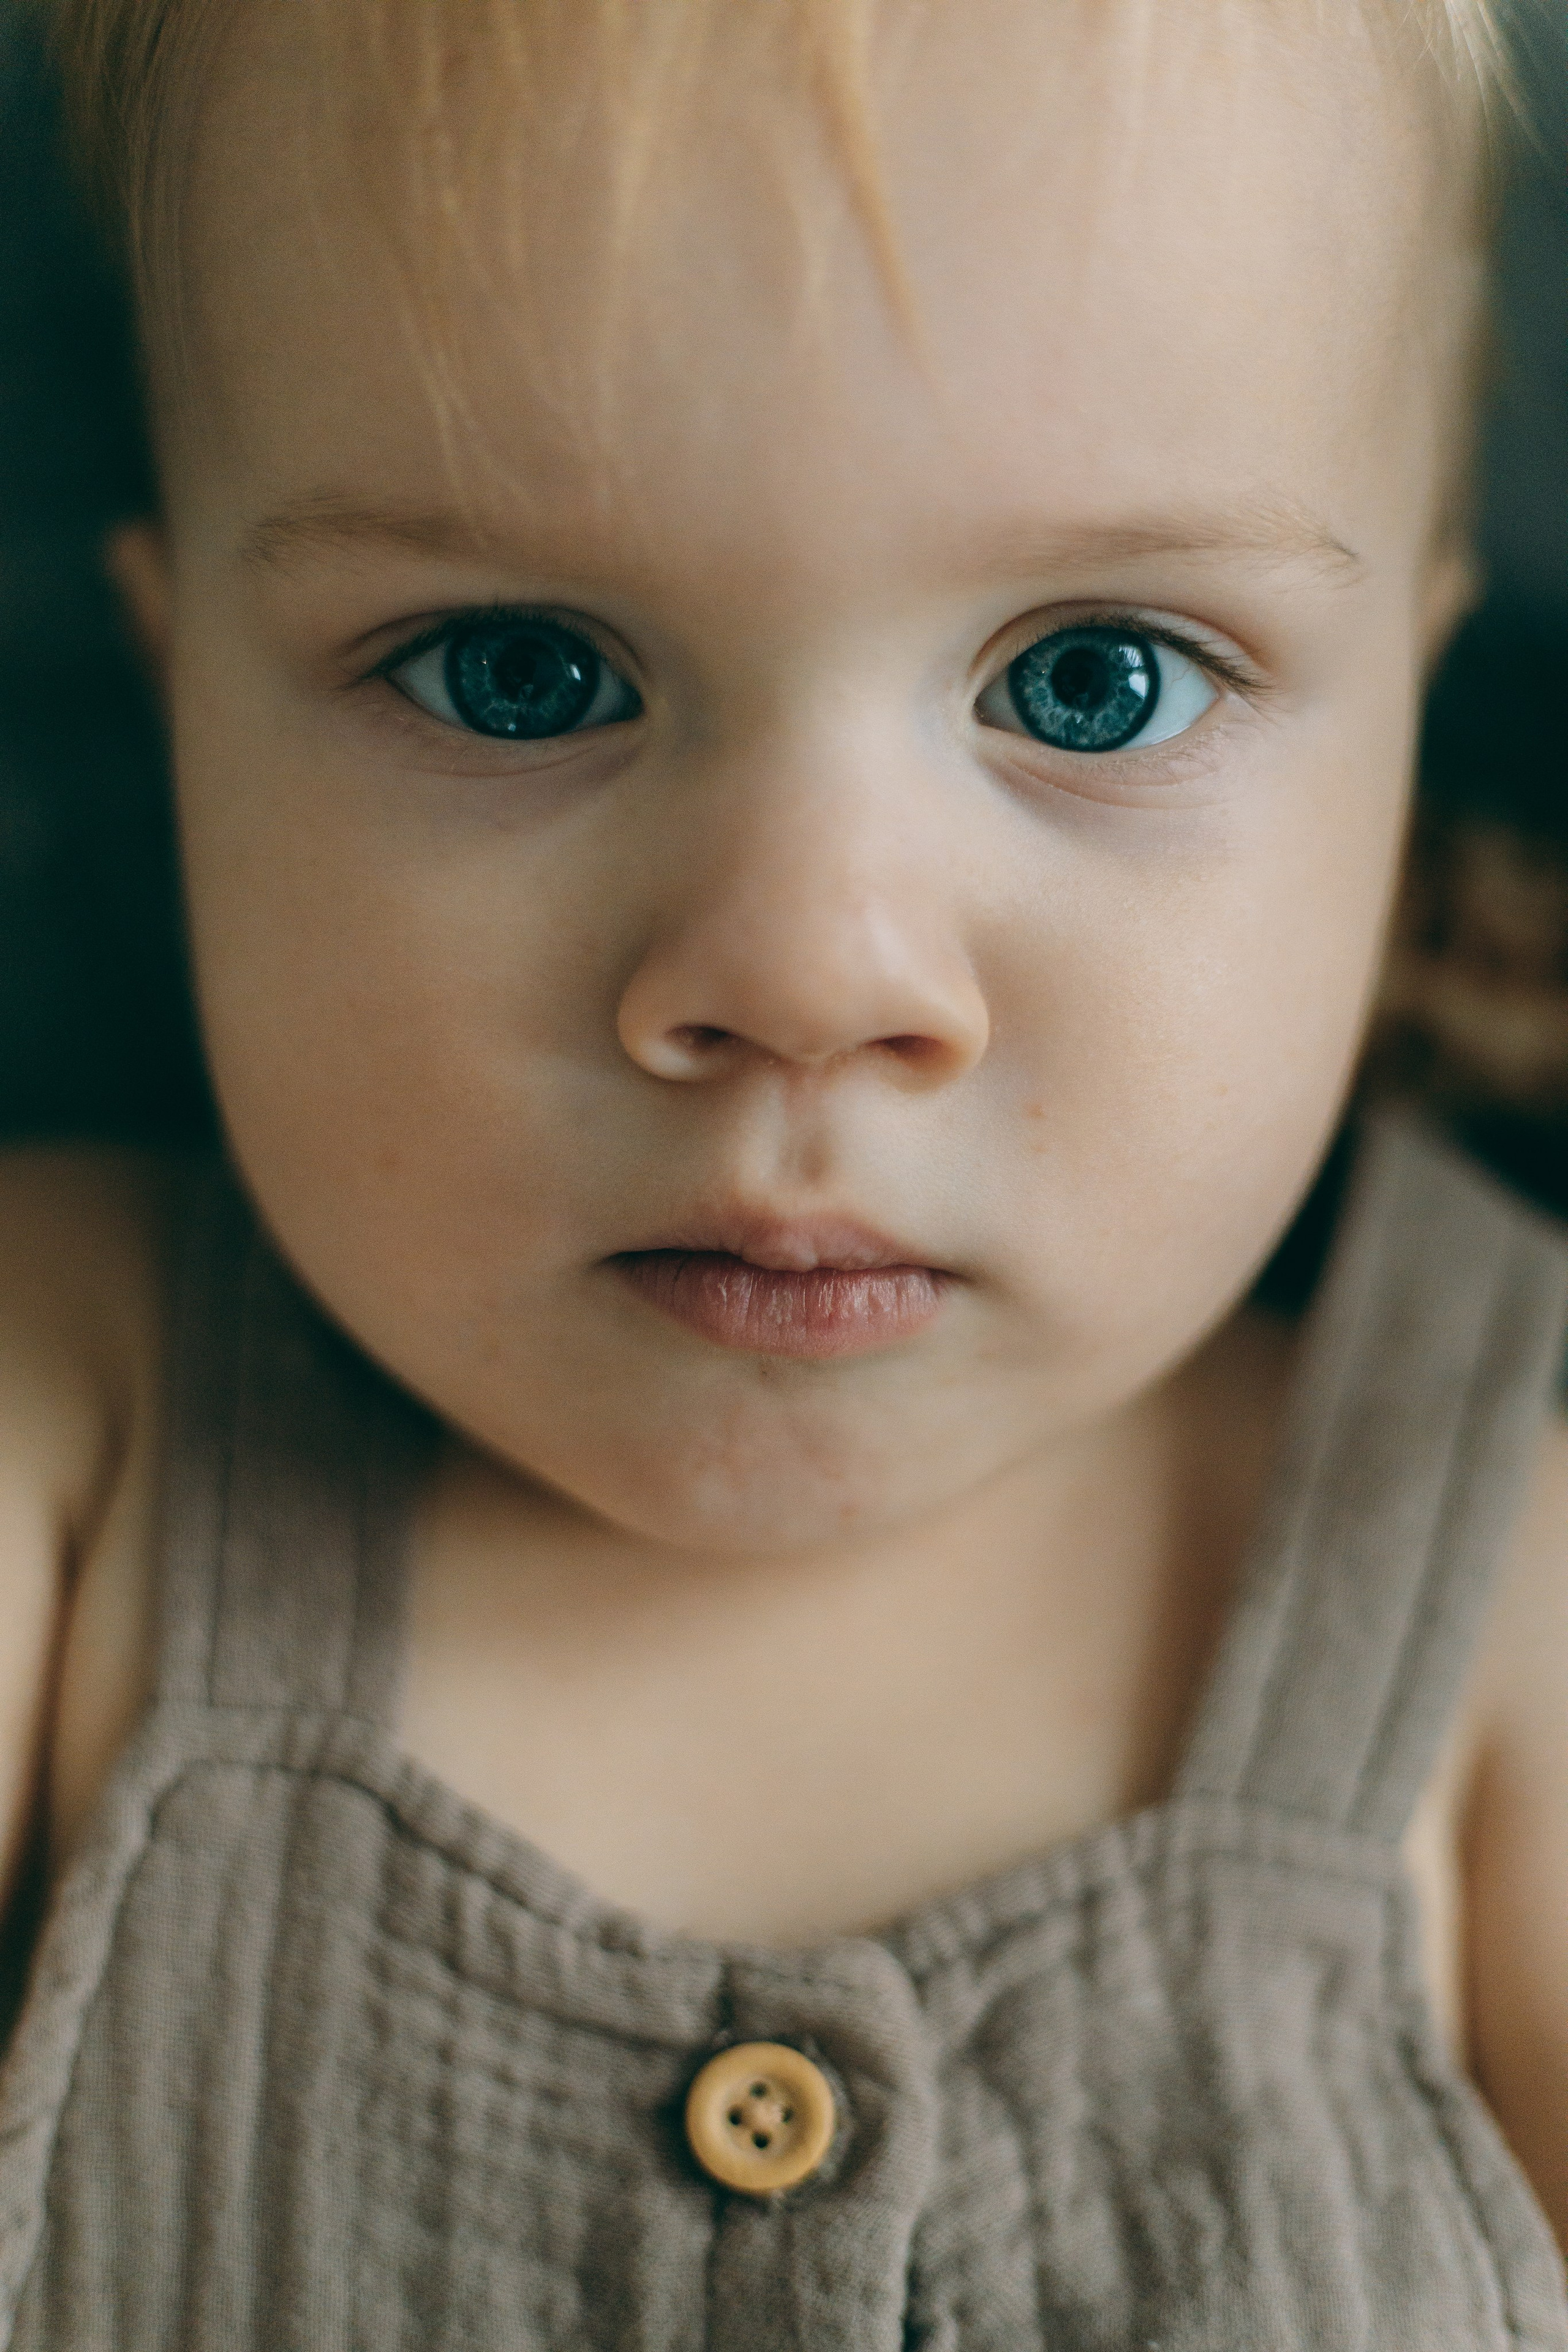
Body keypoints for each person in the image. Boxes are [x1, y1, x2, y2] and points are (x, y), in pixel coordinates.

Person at [0, 0, 1564, 2343]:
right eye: (517, 671)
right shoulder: (65, 1427)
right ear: (183, 691)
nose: (804, 978)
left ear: (1408, 719)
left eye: (1098, 683)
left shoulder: (1506, 1584)